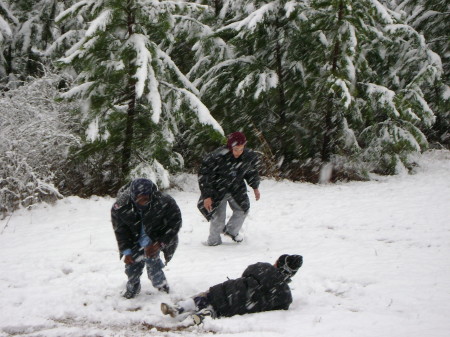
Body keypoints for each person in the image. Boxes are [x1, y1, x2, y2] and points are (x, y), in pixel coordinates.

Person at [161, 254, 303, 324]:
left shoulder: (263, 267)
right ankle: (207, 314)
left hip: (231, 291)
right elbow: (277, 309)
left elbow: (246, 272)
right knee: (221, 311)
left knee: (205, 297)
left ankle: (181, 307)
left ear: (277, 263)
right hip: (243, 306)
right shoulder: (285, 296)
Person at [111, 178, 182, 299]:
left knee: (153, 263)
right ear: (133, 196)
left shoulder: (165, 201)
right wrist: (126, 251)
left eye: (146, 198)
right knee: (132, 266)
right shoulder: (120, 206)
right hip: (134, 239)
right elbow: (121, 231)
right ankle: (133, 285)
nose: (143, 201)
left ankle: (161, 285)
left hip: (156, 236)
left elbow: (175, 223)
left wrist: (159, 244)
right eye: (139, 198)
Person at [197, 131, 261, 246]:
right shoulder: (216, 156)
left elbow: (251, 172)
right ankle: (213, 241)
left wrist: (255, 187)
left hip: (236, 189)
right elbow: (204, 176)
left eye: (241, 149)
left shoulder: (247, 156)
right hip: (217, 190)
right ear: (230, 146)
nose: (238, 152)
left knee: (242, 210)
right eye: (236, 149)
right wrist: (207, 196)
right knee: (218, 217)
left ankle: (231, 231)